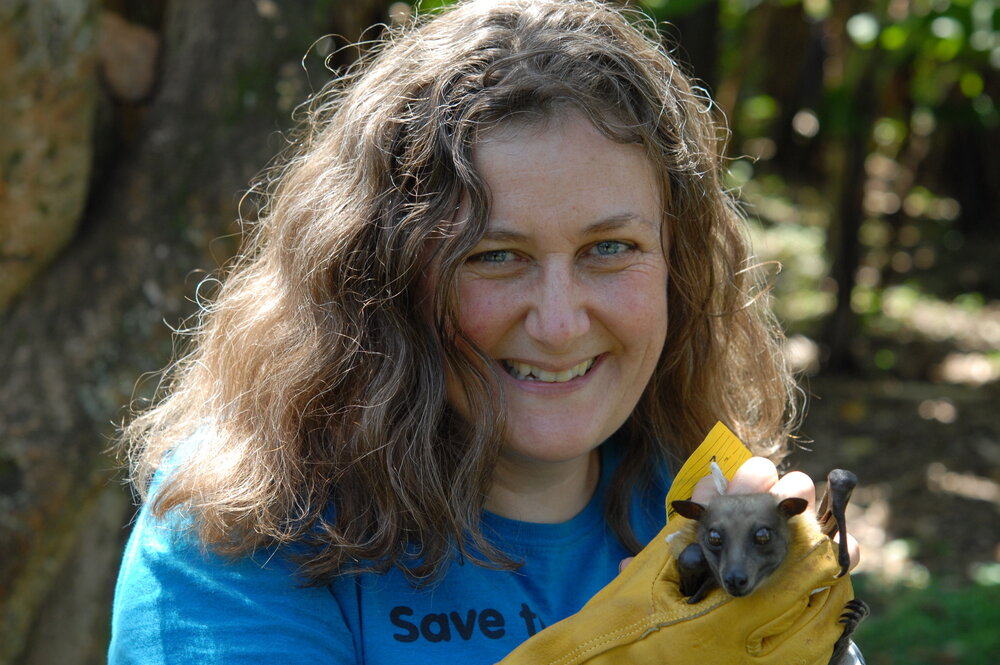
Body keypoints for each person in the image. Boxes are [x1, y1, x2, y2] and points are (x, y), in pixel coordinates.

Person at [109, 1, 861, 663]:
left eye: (611, 248)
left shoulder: (706, 504)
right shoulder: (239, 531)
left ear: (680, 265)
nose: (561, 322)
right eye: (494, 256)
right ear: (378, 277)